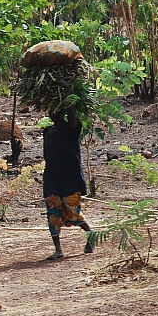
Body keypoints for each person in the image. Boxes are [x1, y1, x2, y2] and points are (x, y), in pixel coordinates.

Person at [42, 78, 94, 260]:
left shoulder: (71, 127)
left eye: (57, 109)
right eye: (51, 109)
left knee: (72, 212)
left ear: (63, 111)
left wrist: (67, 89)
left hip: (70, 176)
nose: (53, 112)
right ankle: (58, 249)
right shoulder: (47, 132)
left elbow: (72, 115)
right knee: (53, 212)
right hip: (52, 176)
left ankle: (91, 234)